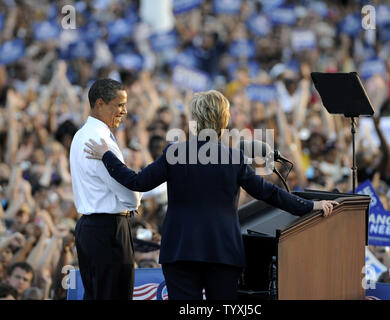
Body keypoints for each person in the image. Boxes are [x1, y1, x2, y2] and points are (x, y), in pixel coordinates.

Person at [84, 90, 338, 300]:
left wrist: (106, 155)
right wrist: (311, 205)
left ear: (194, 120)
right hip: (222, 252)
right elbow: (268, 193)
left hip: (181, 251)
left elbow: (136, 181)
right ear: (223, 121)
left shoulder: (175, 153)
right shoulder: (233, 158)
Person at [69, 78, 142, 300]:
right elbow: (130, 196)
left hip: (92, 229)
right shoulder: (100, 141)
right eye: (119, 105)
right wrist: (136, 197)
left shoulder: (81, 134)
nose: (125, 111)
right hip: (109, 232)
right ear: (99, 103)